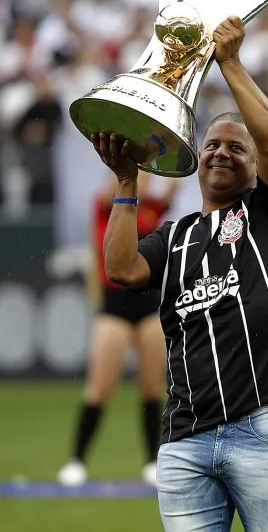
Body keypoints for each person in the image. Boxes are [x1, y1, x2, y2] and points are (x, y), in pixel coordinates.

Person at [90, 16, 268, 531]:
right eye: (212, 144)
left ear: (256, 168)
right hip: (186, 437)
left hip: (266, 423)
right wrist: (127, 180)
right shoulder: (175, 236)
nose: (221, 151)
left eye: (237, 147)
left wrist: (230, 62)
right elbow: (121, 268)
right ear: (196, 159)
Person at [57, 170, 178, 488]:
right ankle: (76, 460)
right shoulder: (107, 206)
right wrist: (127, 174)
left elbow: (171, 190)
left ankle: (152, 461)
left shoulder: (152, 210)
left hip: (148, 305)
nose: (145, 181)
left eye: (147, 177)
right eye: (140, 176)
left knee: (151, 388)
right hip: (114, 306)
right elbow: (112, 191)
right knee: (100, 387)